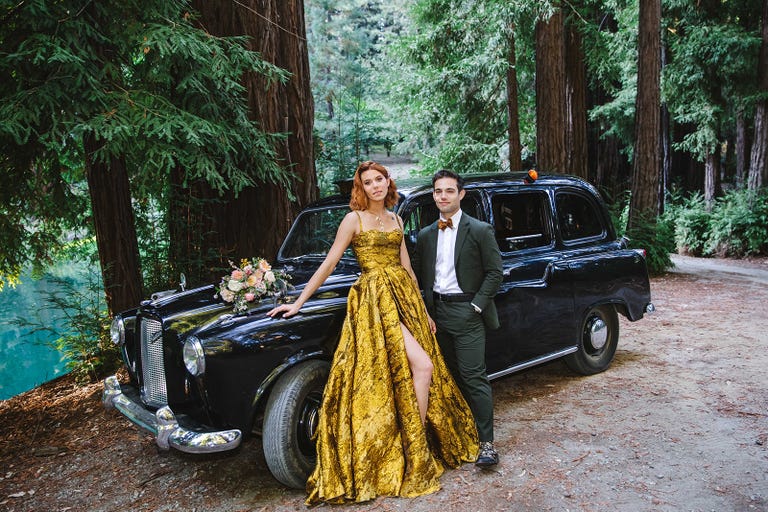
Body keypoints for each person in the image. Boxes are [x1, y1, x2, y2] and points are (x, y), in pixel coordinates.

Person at [267, 161, 478, 505]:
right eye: (368, 182)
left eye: (379, 179)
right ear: (361, 188)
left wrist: (423, 312)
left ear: (387, 181)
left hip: (404, 299)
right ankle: (413, 443)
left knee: (417, 370)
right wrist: (298, 303)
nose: (375, 186)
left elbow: (407, 268)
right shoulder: (354, 219)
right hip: (374, 303)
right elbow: (330, 263)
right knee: (419, 367)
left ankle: (414, 440)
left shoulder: (395, 218)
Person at [412, 169, 503, 467]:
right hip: (436, 316)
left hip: (467, 313)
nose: (442, 196)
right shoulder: (425, 235)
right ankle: (462, 436)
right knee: (447, 378)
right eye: (438, 191)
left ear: (460, 194)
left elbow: (494, 272)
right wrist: (426, 311)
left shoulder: (479, 230)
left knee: (473, 377)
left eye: (449, 191)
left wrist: (476, 306)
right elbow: (420, 277)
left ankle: (487, 444)